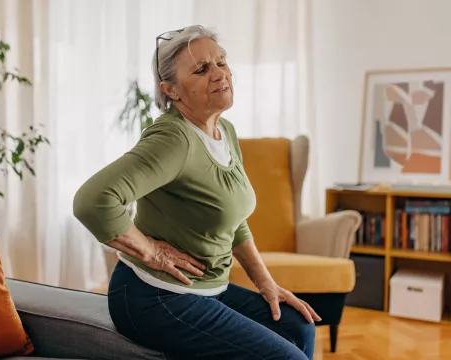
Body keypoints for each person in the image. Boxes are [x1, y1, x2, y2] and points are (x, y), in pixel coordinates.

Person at [73, 25, 320, 360]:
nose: (219, 74)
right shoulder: (173, 139)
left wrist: (266, 284)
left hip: (205, 290)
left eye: (221, 62)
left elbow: (233, 220)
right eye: (202, 69)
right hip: (154, 296)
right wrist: (152, 252)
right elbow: (93, 201)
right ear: (171, 90)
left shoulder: (224, 131)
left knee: (297, 325)